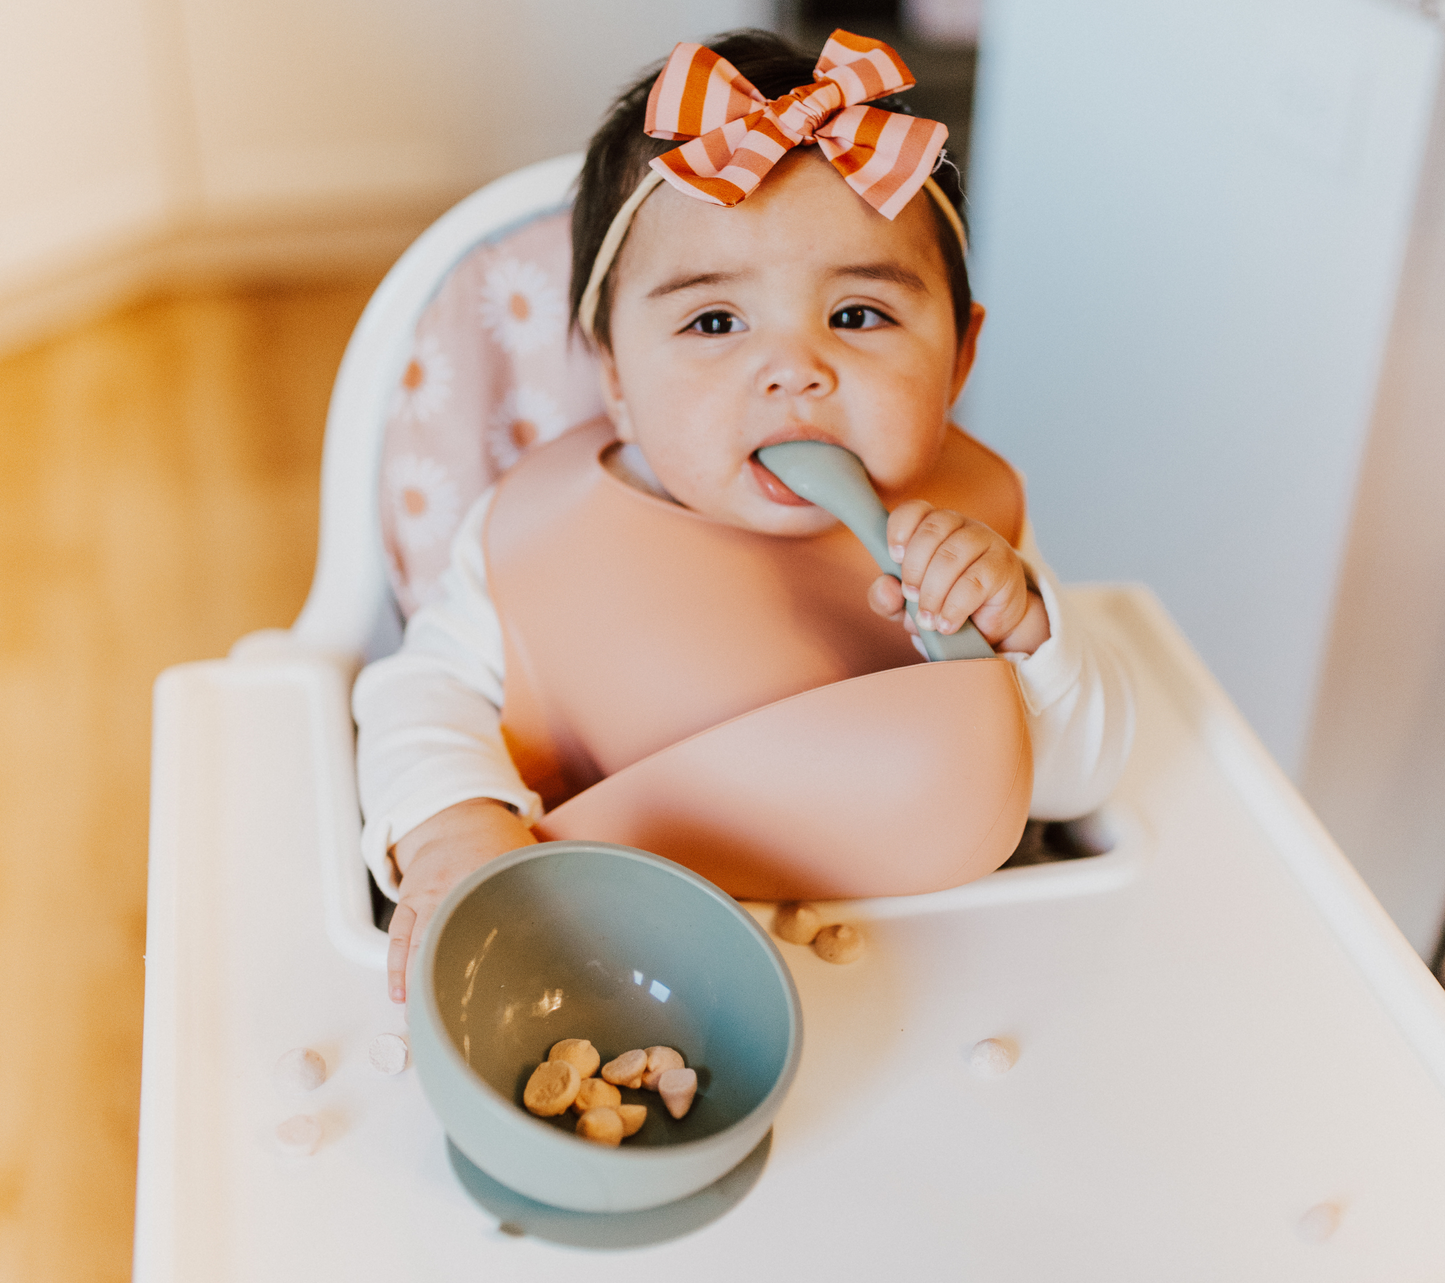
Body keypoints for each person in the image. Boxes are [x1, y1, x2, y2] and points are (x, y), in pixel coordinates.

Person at [355, 28, 1135, 1003]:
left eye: (857, 315)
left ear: (957, 361)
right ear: (616, 378)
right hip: (623, 974)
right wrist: (453, 827)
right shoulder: (534, 540)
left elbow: (1077, 783)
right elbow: (411, 698)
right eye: (713, 322)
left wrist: (1028, 635)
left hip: (943, 982)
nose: (793, 369)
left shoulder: (967, 539)